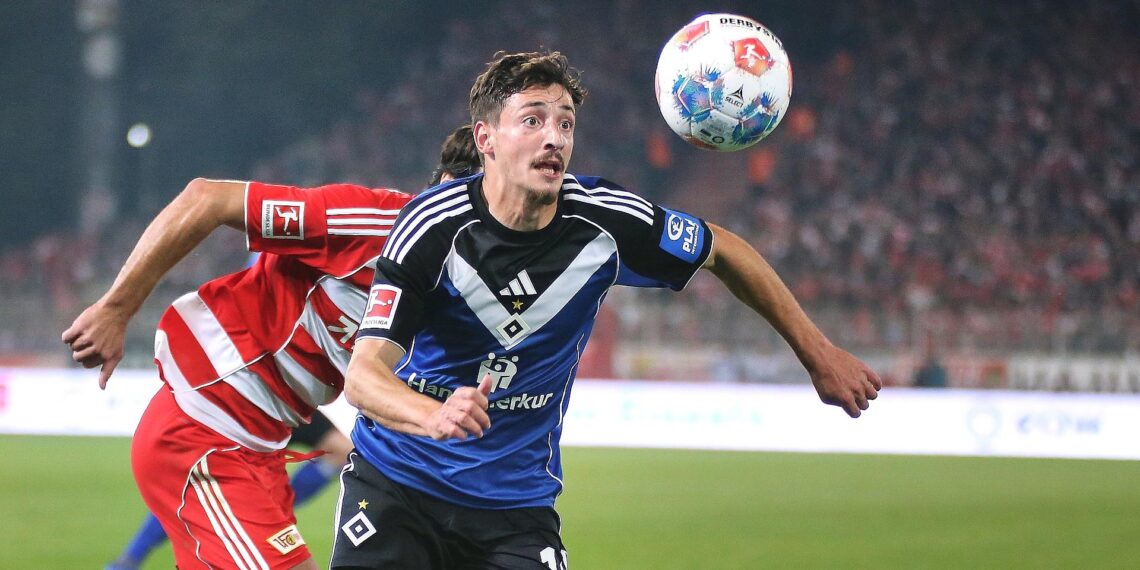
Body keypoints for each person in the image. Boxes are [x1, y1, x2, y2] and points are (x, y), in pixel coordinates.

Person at [333, 51, 882, 569]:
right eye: (533, 121)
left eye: (566, 124)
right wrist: (433, 415)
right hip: (396, 484)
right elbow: (363, 376)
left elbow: (724, 250)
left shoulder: (606, 220)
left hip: (513, 507)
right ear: (486, 139)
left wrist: (819, 353)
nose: (554, 138)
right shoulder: (432, 226)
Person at [63, 125, 481, 570]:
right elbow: (206, 197)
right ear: (445, 189)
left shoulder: (454, 280)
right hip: (204, 430)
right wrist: (116, 309)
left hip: (262, 448)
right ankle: (130, 558)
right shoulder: (377, 222)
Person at [104, 410, 351, 570]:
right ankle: (130, 559)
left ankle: (264, 512)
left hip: (286, 400)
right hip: (239, 404)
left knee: (342, 452)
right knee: (196, 489)